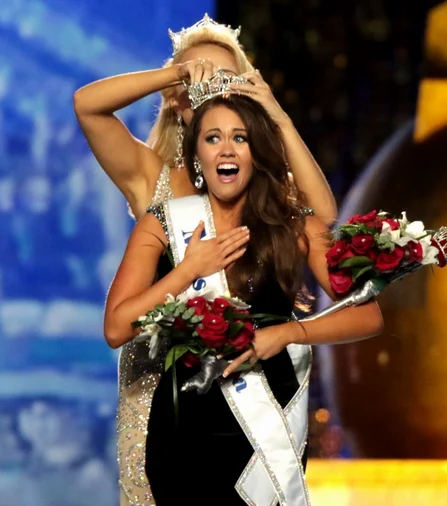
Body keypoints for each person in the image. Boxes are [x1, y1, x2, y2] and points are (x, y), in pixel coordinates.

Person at [104, 92, 383, 505]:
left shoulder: (294, 225)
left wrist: (290, 332)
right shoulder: (163, 224)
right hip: (186, 427)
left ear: (257, 152)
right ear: (196, 153)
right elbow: (116, 327)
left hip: (266, 425)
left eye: (241, 137)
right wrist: (188, 270)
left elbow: (368, 316)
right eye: (213, 138)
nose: (227, 149)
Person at [73, 14, 337, 225]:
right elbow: (87, 105)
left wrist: (281, 121)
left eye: (225, 79)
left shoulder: (265, 183)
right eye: (198, 79)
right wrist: (175, 74)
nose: (213, 92)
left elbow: (324, 218)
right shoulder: (152, 179)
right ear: (175, 102)